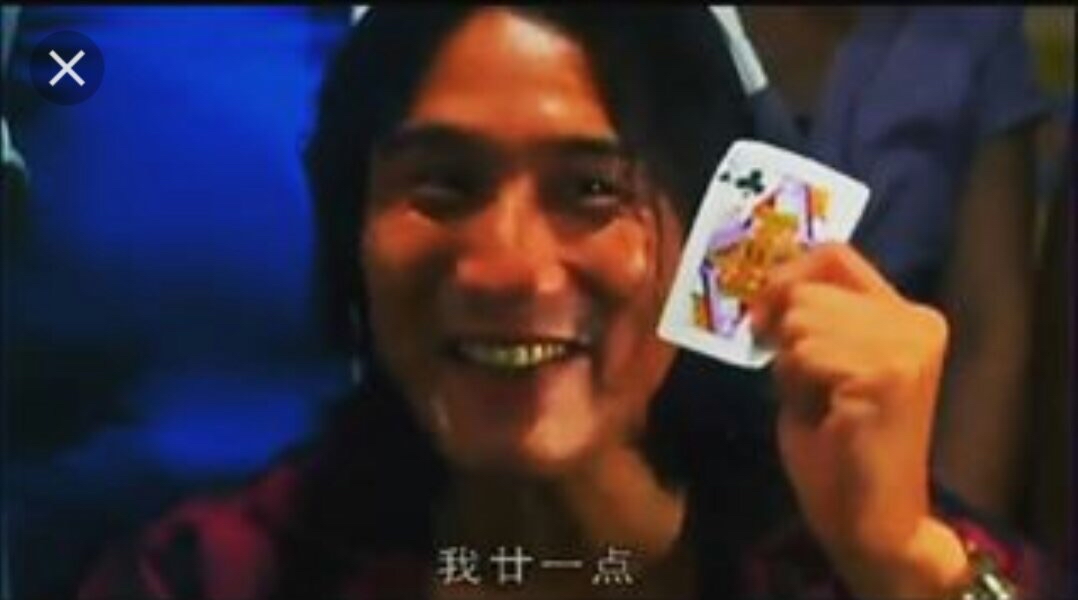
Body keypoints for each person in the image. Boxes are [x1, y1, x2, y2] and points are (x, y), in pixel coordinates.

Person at [78, 7, 1054, 599]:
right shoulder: (208, 575)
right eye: (441, 187)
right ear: (352, 227)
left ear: (714, 235)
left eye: (591, 190)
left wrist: (905, 567)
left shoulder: (858, 555)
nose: (508, 269)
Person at [738, 6, 1048, 523]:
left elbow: (990, 333)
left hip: (889, 481)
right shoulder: (654, 28)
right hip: (669, 473)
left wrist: (940, 540)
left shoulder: (975, 31)